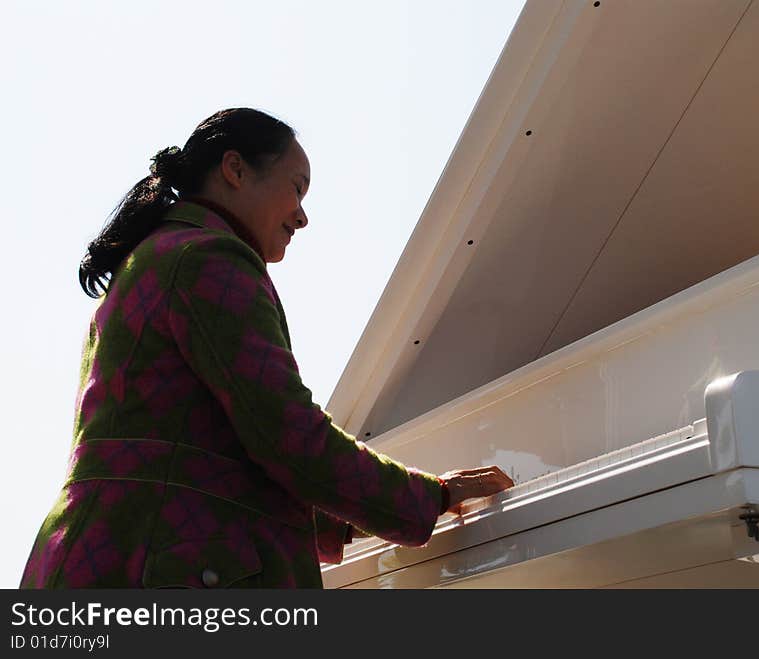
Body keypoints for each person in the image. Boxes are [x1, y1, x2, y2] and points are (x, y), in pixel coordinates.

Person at [20, 108, 514, 589]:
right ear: (234, 170)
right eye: (297, 188)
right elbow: (289, 437)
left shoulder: (152, 260)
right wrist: (431, 496)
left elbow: (211, 459)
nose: (302, 217)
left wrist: (346, 521)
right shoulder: (208, 258)